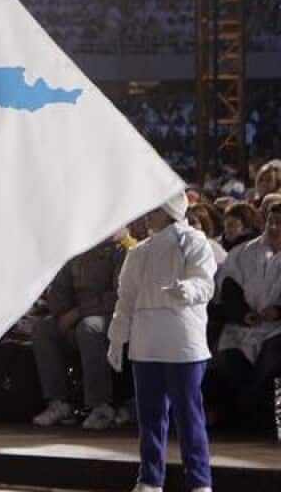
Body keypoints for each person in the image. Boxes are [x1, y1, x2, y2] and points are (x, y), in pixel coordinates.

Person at [107, 192, 215, 492]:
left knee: (188, 416)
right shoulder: (139, 252)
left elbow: (205, 282)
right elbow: (126, 299)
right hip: (146, 345)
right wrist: (117, 337)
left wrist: (189, 290)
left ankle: (200, 482)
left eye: (154, 209)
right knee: (151, 418)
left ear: (170, 210)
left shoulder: (193, 242)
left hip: (182, 342)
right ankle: (150, 479)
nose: (147, 215)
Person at [31, 238, 125, 430]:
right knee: (43, 329)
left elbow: (118, 296)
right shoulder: (78, 249)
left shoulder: (122, 250)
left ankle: (100, 406)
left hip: (111, 315)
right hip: (77, 316)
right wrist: (60, 312)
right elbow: (60, 289)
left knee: (89, 328)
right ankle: (59, 403)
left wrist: (79, 312)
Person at [204, 203, 281, 434]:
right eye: (271, 222)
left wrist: (278, 311)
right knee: (232, 362)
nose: (274, 228)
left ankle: (262, 421)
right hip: (243, 327)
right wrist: (244, 313)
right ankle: (238, 420)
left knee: (269, 362)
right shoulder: (243, 252)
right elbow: (229, 288)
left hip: (276, 329)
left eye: (279, 223)